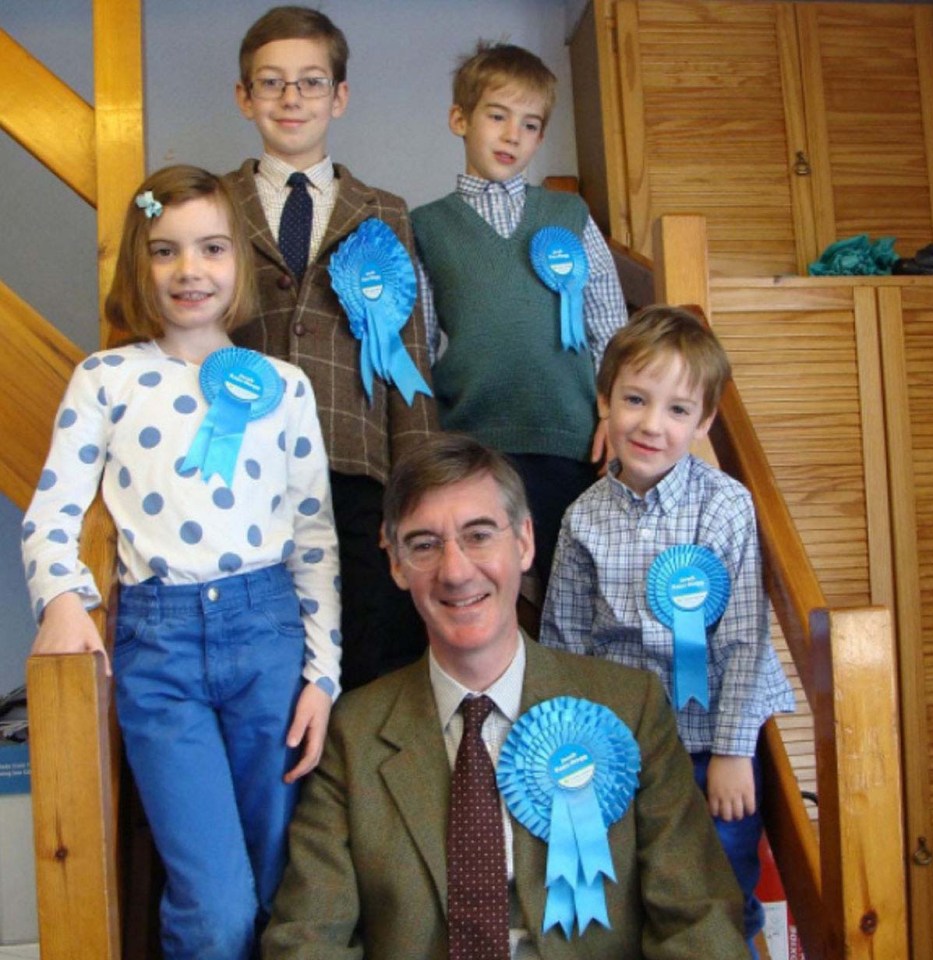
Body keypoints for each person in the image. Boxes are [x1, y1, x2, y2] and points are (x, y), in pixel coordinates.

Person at [263, 433, 750, 960]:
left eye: (478, 535)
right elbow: (307, 939)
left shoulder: (630, 708)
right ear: (396, 563)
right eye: (425, 544)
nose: (454, 571)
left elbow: (698, 918)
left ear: (523, 542)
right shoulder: (353, 733)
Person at [21, 165, 342, 960]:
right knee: (215, 903)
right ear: (140, 264)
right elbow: (53, 512)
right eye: (165, 252)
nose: (189, 271)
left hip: (268, 639)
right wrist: (62, 596)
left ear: (239, 263)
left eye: (210, 249)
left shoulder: (287, 388)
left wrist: (324, 671)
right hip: (158, 652)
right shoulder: (106, 379)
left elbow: (313, 537)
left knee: (279, 888)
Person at [539, 305, 795, 957]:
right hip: (621, 743)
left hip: (714, 741)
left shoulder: (727, 506)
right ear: (605, 402)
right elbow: (565, 641)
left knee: (721, 881)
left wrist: (736, 752)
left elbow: (743, 640)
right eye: (634, 399)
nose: (652, 424)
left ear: (705, 422)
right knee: (635, 880)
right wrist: (575, 746)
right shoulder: (582, 520)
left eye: (678, 410)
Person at [228, 6, 436, 691]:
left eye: (311, 82)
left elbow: (409, 355)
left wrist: (418, 494)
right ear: (244, 96)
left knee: (371, 652)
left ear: (339, 97)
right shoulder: (213, 203)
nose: (292, 99)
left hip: (357, 470)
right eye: (272, 82)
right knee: (267, 659)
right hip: (242, 469)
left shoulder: (384, 211)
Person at [411, 42, 628, 589]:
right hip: (474, 442)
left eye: (530, 125)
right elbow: (416, 342)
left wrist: (611, 412)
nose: (513, 135)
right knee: (479, 582)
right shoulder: (427, 227)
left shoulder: (568, 213)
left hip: (571, 439)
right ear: (459, 118)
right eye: (497, 116)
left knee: (576, 586)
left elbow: (609, 324)